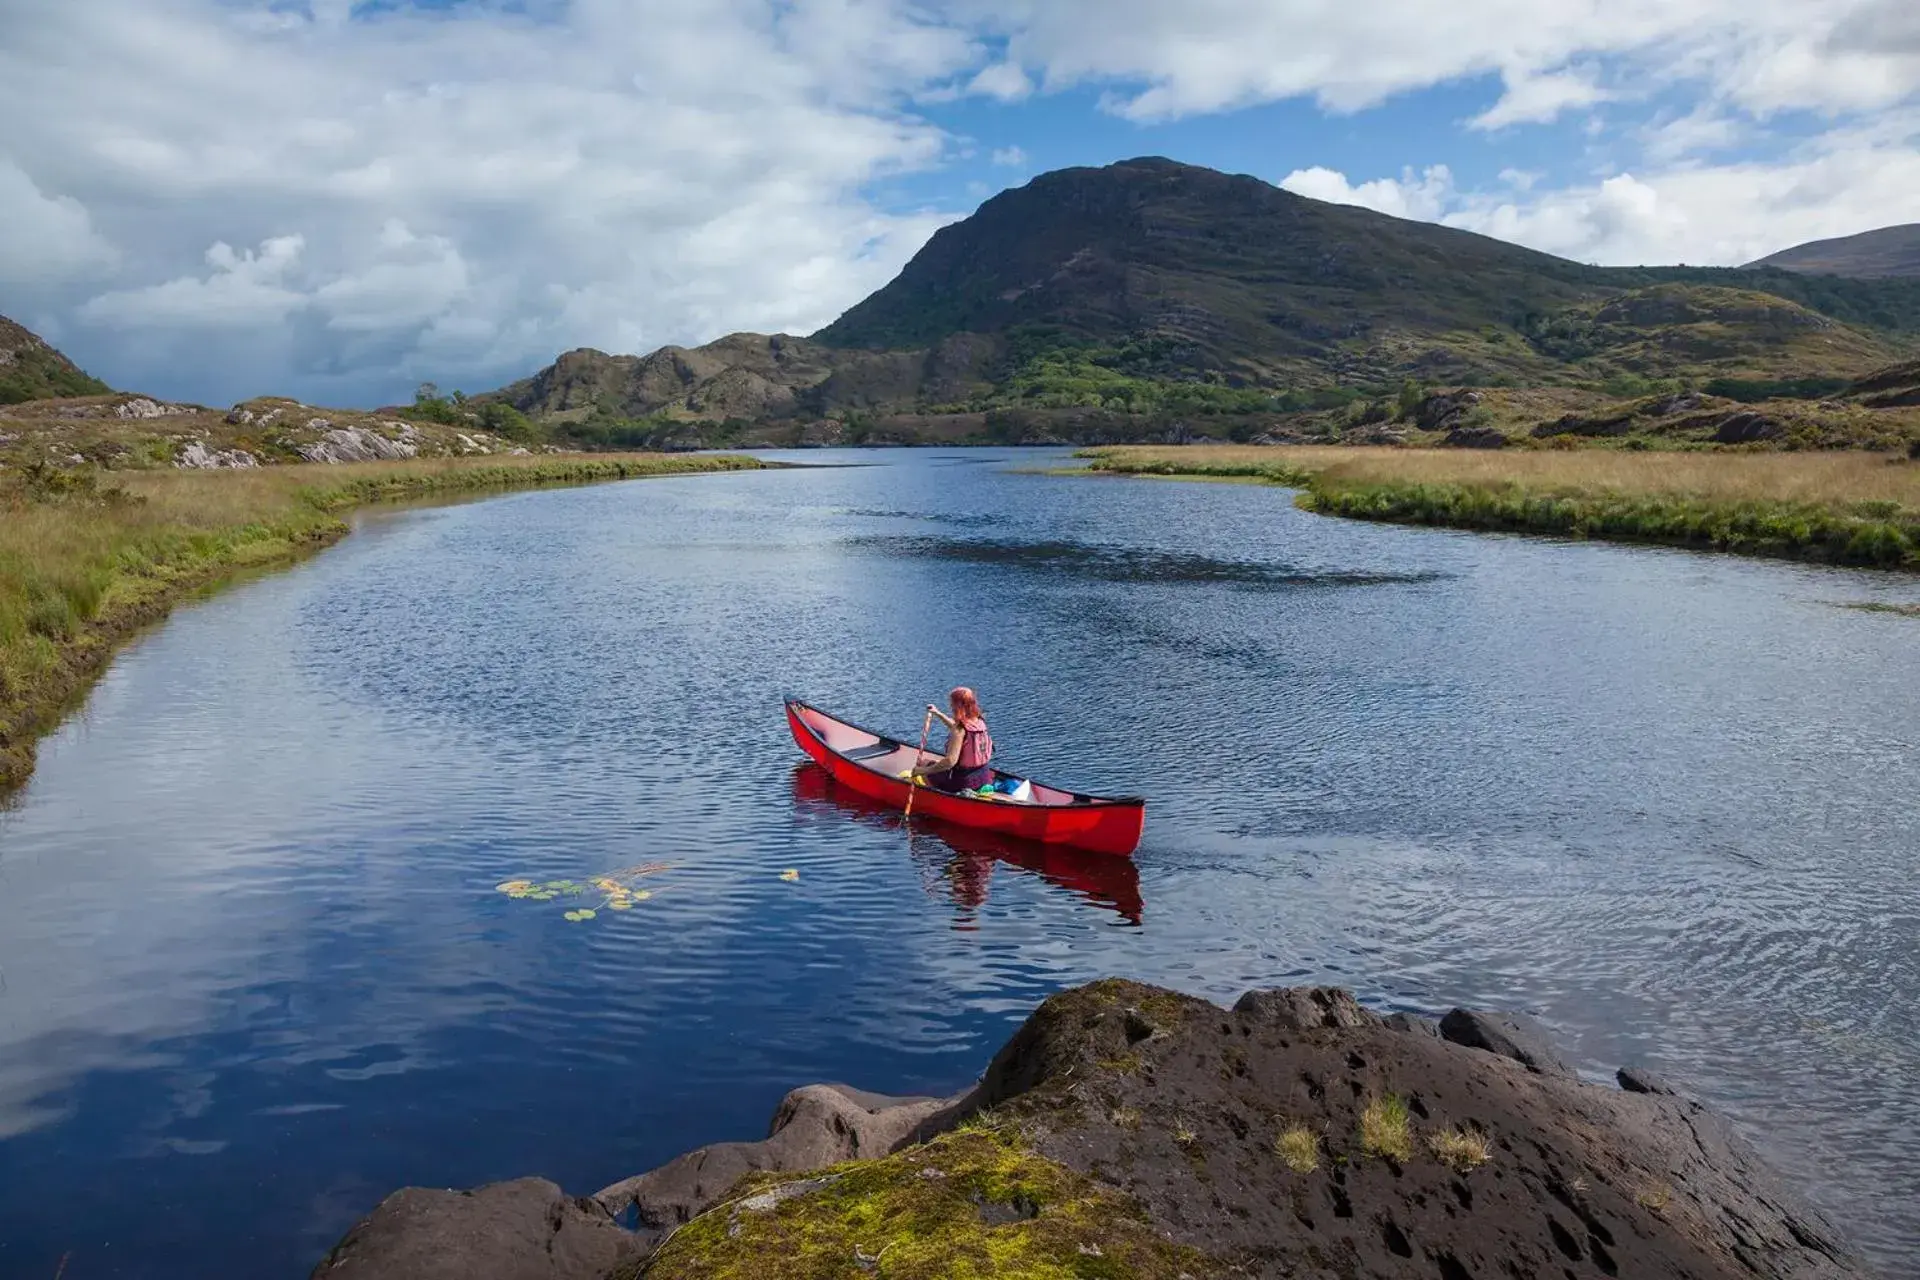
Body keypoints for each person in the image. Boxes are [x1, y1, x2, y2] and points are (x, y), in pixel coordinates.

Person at [914, 686, 995, 793]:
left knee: (923, 767)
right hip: (984, 777)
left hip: (963, 782)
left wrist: (923, 771)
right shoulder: (980, 721)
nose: (950, 706)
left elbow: (950, 762)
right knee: (926, 762)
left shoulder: (960, 730)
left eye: (952, 703)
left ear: (958, 706)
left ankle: (933, 797)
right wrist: (937, 713)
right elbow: (957, 727)